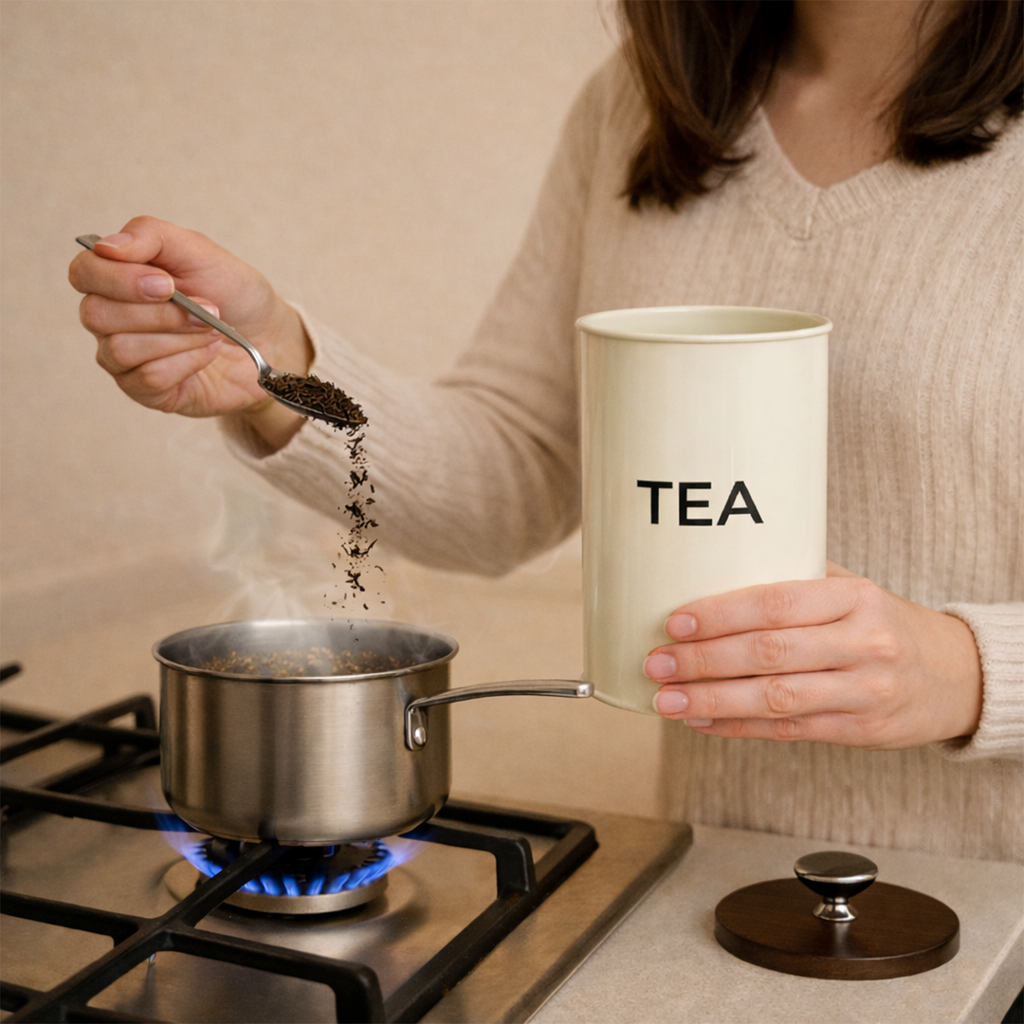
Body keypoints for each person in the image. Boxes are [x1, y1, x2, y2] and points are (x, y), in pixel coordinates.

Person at [70, 1, 1021, 862]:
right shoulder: (643, 107)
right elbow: (520, 470)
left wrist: (964, 671)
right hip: (726, 886)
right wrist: (282, 369)